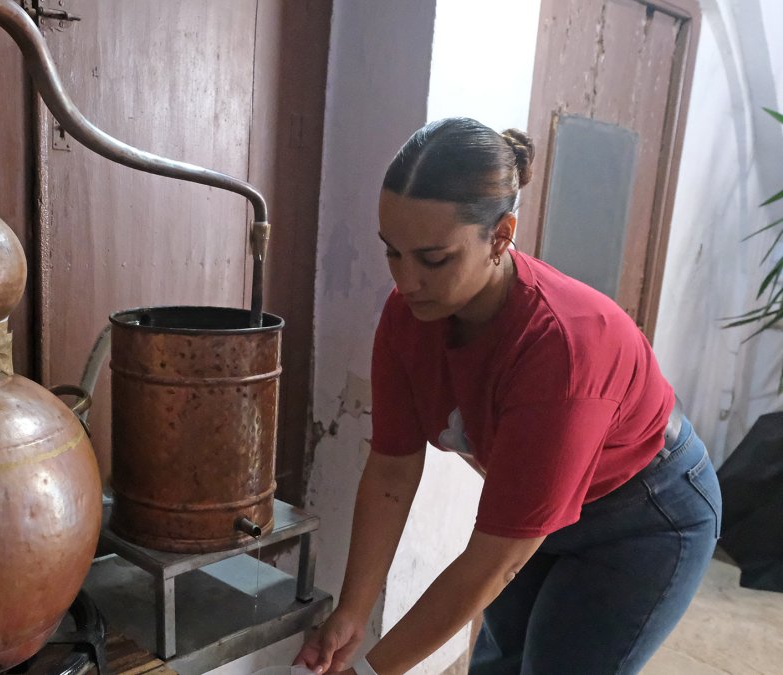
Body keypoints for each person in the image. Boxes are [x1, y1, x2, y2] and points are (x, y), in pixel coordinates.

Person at [294, 117, 722, 675]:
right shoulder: (409, 317)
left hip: (647, 510)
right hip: (547, 509)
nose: (405, 281)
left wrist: (376, 671)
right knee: (497, 665)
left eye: (433, 258)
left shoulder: (562, 350)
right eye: (391, 253)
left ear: (500, 236)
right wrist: (351, 613)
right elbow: (393, 472)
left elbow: (497, 558)